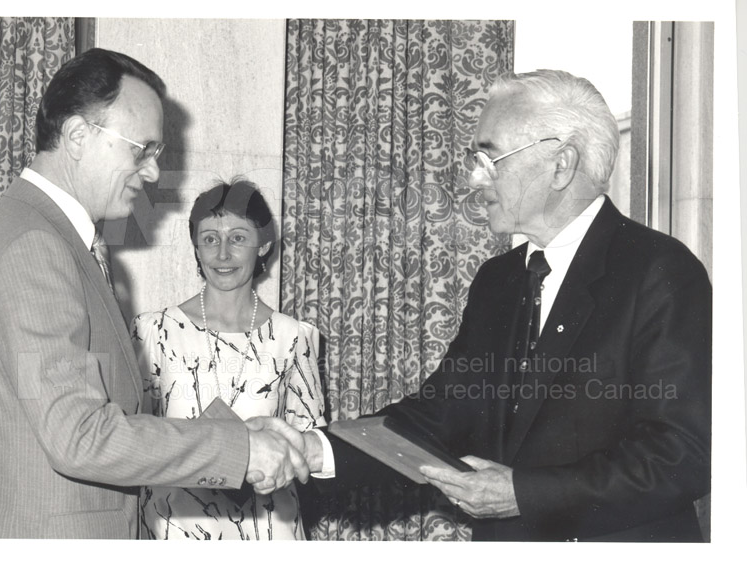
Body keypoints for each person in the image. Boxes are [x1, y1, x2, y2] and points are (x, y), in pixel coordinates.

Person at [288, 69, 712, 542]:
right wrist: (312, 449)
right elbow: (439, 414)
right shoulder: (498, 280)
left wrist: (523, 494)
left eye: (490, 159)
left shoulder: (661, 270)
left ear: (561, 165)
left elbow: (681, 455)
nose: (474, 178)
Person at [0, 48, 308, 539]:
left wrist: (235, 436)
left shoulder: (45, 234)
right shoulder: (34, 246)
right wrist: (239, 452)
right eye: (140, 149)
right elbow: (77, 435)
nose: (152, 173)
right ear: (78, 136)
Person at [132, 180, 326, 540]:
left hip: (267, 532)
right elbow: (130, 440)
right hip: (175, 530)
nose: (222, 254)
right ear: (196, 247)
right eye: (209, 239)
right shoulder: (153, 332)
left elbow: (310, 452)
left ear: (263, 244)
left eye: (237, 238)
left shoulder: (294, 337)